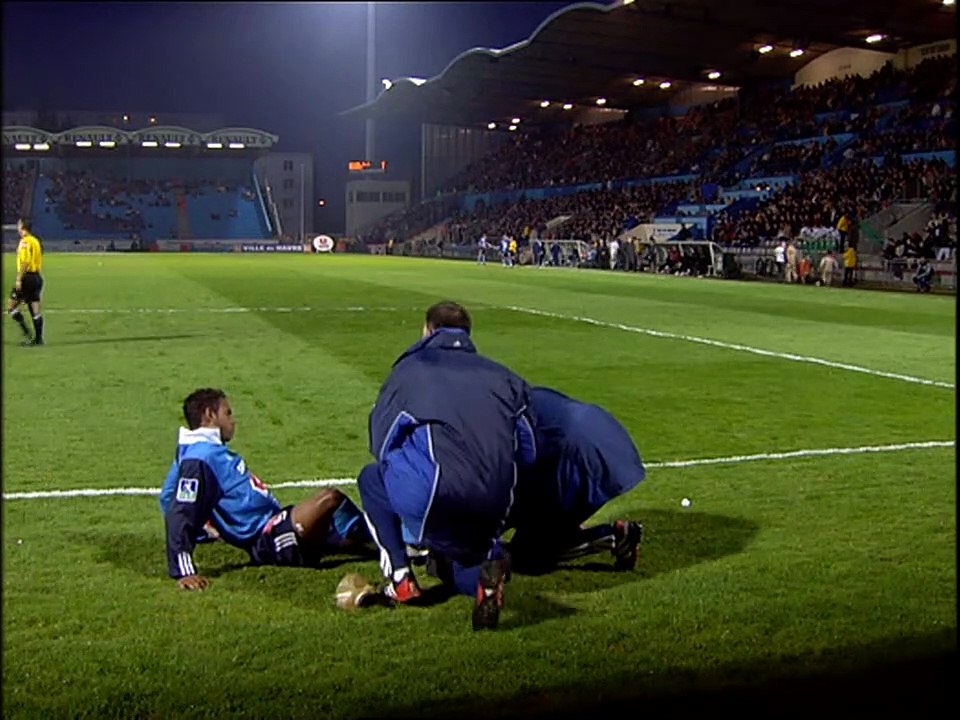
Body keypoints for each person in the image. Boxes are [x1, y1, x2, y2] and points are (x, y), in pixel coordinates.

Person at [357, 301, 537, 630]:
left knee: (371, 479)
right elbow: (528, 451)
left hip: (435, 495)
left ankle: (400, 577)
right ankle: (482, 580)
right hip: (494, 503)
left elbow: (380, 442)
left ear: (428, 330)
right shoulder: (505, 377)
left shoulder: (410, 371)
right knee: (457, 560)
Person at [160, 388, 370, 590]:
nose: (233, 420)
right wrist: (184, 571)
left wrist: (204, 531)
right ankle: (377, 537)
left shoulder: (196, 451)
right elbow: (181, 511)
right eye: (228, 413)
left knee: (341, 525)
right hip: (267, 538)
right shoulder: (200, 458)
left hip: (275, 522)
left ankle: (378, 541)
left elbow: (168, 496)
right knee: (330, 499)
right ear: (209, 414)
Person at [7, 218, 44, 346]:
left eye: (18, 224)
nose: (17, 227)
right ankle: (38, 339)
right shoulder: (35, 240)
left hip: (27, 278)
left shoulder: (24, 242)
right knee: (35, 309)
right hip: (37, 277)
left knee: (11, 307)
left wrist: (19, 278)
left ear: (22, 226)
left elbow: (25, 261)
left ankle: (27, 333)